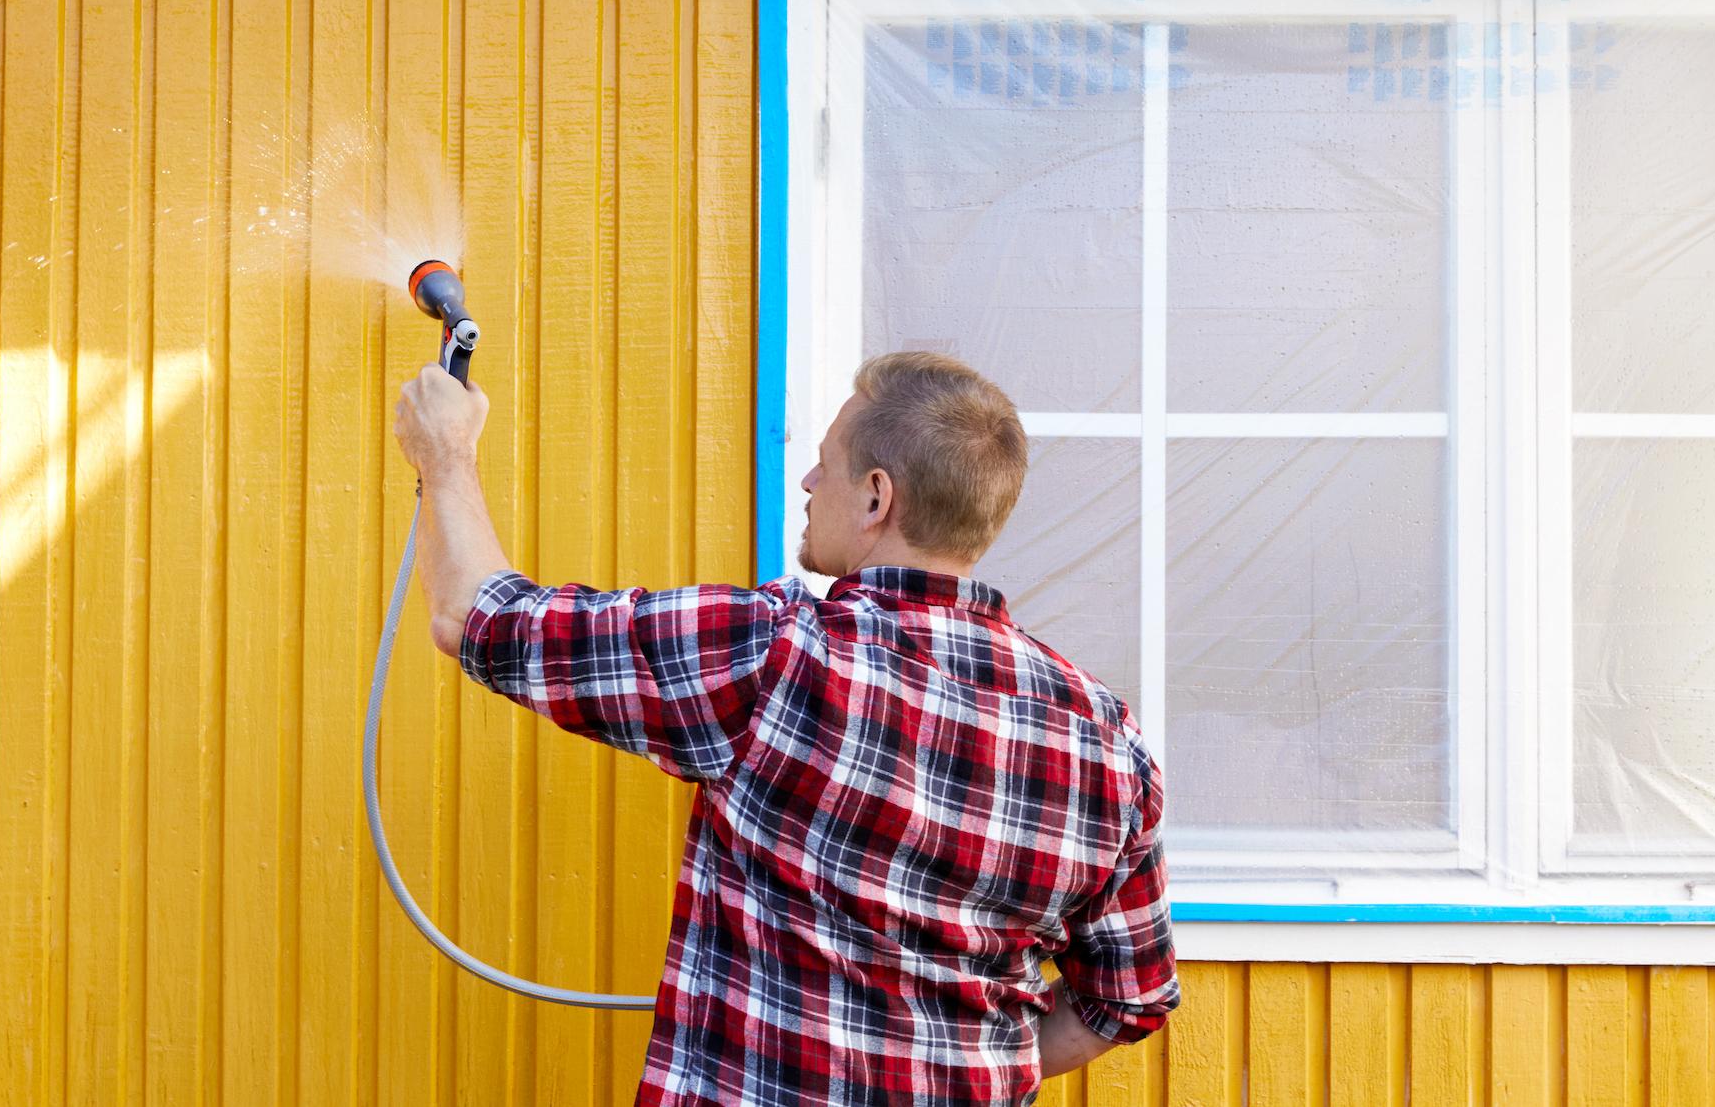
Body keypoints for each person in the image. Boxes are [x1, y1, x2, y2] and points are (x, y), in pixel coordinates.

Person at [394, 349, 1178, 1106]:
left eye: (826, 463)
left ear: (877, 497)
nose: (807, 480)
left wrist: (446, 453)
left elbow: (476, 617)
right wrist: (974, 1070)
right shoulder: (1107, 742)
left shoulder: (776, 655)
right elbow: (1128, 999)